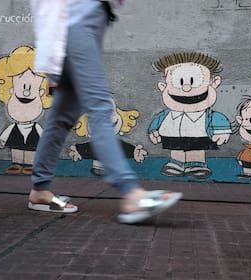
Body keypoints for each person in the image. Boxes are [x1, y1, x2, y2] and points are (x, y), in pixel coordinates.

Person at [28, 0, 182, 224]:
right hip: (75, 20)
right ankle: (130, 193)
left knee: (62, 117)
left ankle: (40, 190)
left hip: (83, 21)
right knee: (100, 106)